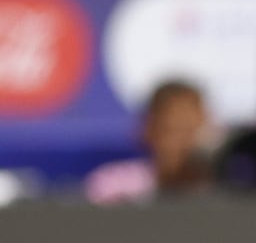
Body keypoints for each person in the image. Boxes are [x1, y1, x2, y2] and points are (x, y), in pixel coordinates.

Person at [84, 79, 215, 204]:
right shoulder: (114, 186)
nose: (183, 144)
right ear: (149, 131)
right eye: (171, 130)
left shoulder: (224, 189)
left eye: (190, 131)